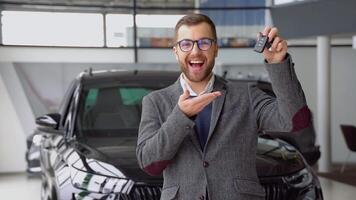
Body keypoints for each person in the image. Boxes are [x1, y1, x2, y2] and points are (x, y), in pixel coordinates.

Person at [136, 13, 311, 200]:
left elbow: (295, 121)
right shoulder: (155, 101)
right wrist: (180, 116)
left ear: (216, 49)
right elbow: (149, 163)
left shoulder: (246, 96)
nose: (195, 51)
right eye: (186, 44)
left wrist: (278, 64)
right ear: (176, 51)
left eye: (204, 42)